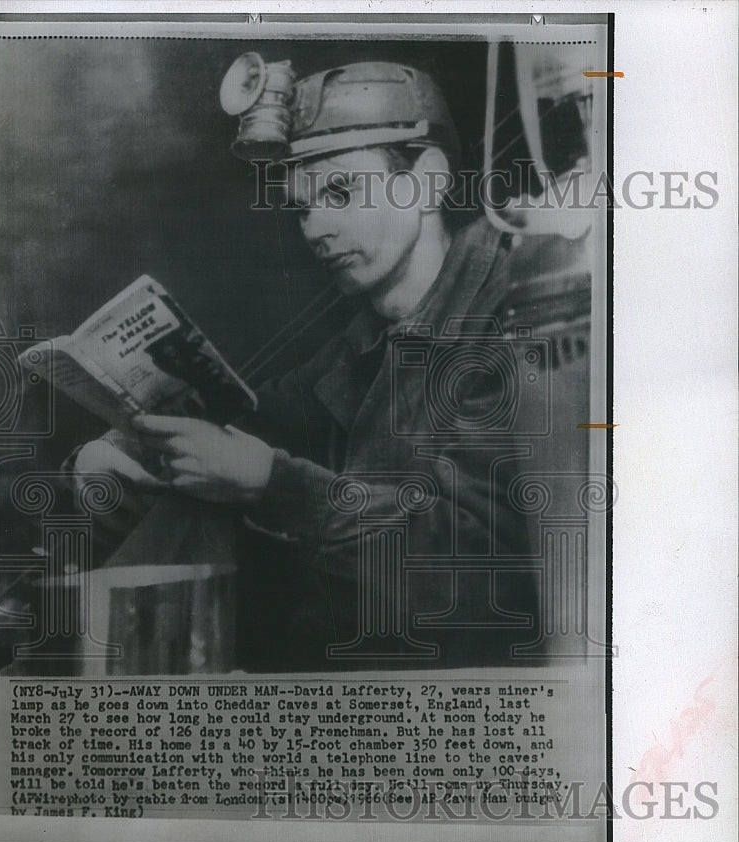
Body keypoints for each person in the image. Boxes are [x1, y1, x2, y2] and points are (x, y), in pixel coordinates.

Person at [73, 60, 540, 669]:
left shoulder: (511, 316)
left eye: (340, 192)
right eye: (302, 206)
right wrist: (127, 451)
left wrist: (273, 483)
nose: (315, 227)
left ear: (426, 180)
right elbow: (257, 416)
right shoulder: (363, 344)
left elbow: (478, 575)